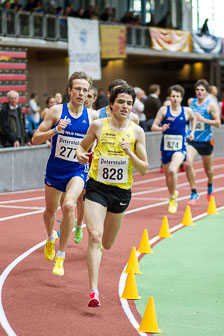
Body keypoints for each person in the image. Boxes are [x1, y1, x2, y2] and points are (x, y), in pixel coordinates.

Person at [76, 85, 149, 307]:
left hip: (121, 191)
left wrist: (130, 152)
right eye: (121, 102)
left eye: (129, 103)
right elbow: (81, 146)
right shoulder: (98, 125)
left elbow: (144, 168)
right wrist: (81, 155)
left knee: (106, 244)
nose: (125, 106)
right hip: (97, 187)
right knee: (95, 237)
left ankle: (95, 283)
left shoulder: (137, 132)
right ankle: (93, 291)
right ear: (111, 104)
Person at [32, 71, 98, 277]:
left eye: (85, 90)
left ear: (88, 94)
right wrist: (55, 131)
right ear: (69, 90)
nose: (81, 93)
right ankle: (50, 237)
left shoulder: (93, 116)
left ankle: (61, 255)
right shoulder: (55, 112)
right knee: (50, 211)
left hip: (77, 170)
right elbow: (35, 139)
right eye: (77, 89)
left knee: (69, 205)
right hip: (55, 170)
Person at [152, 85, 196, 213]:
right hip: (166, 147)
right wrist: (161, 128)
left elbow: (194, 119)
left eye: (177, 96)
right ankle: (172, 193)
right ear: (169, 97)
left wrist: (192, 132)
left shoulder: (187, 111)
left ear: (181, 98)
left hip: (180, 147)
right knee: (167, 177)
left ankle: (172, 198)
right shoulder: (163, 110)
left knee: (172, 170)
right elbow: (154, 126)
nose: (175, 99)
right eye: (173, 96)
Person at [185, 79, 221, 205]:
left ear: (206, 92)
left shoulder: (211, 105)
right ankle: (194, 192)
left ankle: (210, 185)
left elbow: (217, 123)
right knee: (188, 164)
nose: (199, 92)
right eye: (197, 90)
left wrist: (204, 120)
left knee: (208, 169)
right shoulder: (191, 102)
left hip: (206, 141)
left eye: (202, 90)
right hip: (193, 140)